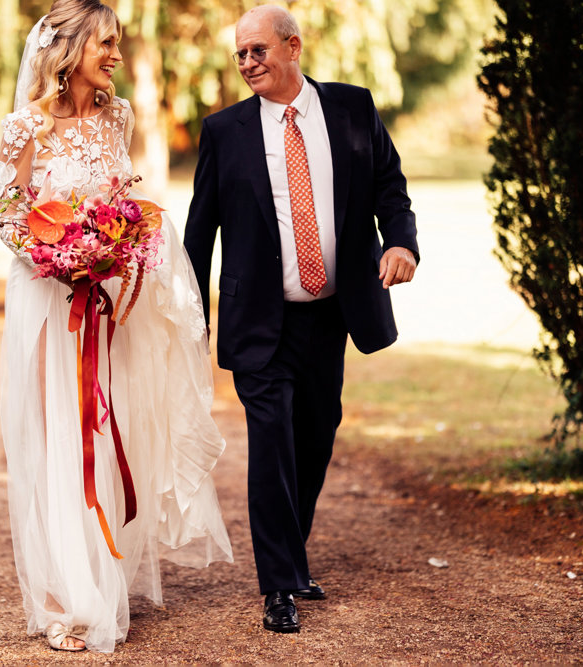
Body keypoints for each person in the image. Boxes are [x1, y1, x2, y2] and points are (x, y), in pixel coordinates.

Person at [0, 0, 232, 653]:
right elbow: (10, 218)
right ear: (69, 51)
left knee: (113, 422)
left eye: (118, 44)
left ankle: (104, 567)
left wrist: (114, 247)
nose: (116, 57)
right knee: (59, 436)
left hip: (110, 297)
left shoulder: (117, 116)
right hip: (48, 299)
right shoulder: (24, 129)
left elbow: (121, 200)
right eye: (105, 44)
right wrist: (59, 257)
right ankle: (68, 592)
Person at [183, 4, 419, 634]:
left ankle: (292, 551)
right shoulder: (225, 130)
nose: (247, 63)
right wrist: (189, 315)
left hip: (331, 315)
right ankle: (280, 583)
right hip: (258, 318)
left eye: (258, 50)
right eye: (240, 54)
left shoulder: (351, 109)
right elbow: (199, 230)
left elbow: (390, 191)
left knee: (315, 436)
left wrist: (401, 243)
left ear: (293, 47)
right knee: (272, 442)